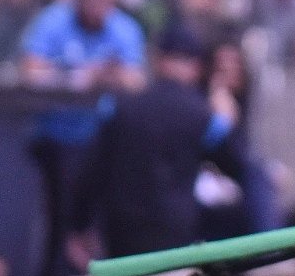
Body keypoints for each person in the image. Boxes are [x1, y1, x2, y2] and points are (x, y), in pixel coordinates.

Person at [20, 0, 147, 276]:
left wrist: (112, 75)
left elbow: (137, 82)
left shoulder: (124, 29)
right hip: (58, 141)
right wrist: (81, 76)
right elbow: (31, 70)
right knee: (59, 224)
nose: (102, 5)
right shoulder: (54, 20)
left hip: (107, 142)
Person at [70, 23, 237, 258]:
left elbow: (92, 170)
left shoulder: (120, 107)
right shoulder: (204, 116)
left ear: (156, 58)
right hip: (176, 232)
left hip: (122, 231)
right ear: (196, 67)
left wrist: (79, 225)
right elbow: (241, 167)